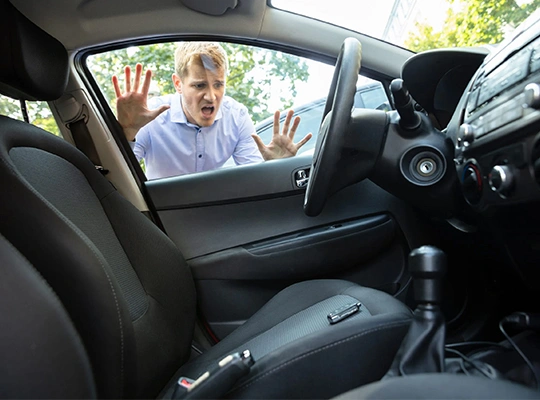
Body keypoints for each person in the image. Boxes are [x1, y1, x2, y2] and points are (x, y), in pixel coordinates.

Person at [112, 42, 312, 179]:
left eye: (218, 84)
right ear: (178, 84)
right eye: (200, 86)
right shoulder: (150, 116)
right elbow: (118, 176)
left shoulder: (236, 116)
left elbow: (254, 177)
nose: (211, 96)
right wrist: (128, 133)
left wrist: (275, 167)